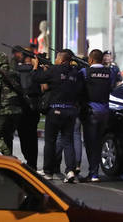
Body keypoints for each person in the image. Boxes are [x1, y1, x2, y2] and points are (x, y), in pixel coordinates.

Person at [31, 50, 83, 183]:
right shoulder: (75, 72)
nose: (55, 60)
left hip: (55, 111)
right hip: (70, 111)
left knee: (50, 141)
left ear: (61, 59)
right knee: (68, 141)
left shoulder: (54, 70)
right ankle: (70, 171)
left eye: (57, 58)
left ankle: (48, 171)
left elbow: (36, 78)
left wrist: (36, 66)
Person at [80, 49, 116, 182]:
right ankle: (95, 171)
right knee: (99, 142)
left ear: (90, 60)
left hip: (91, 111)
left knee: (90, 143)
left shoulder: (85, 72)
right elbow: (111, 87)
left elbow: (80, 89)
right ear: (101, 59)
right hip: (105, 111)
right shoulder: (110, 72)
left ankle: (93, 173)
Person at [15, 47, 41, 170]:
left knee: (23, 136)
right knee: (32, 135)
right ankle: (32, 163)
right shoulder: (37, 71)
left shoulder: (17, 70)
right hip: (34, 106)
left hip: (21, 106)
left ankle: (29, 159)